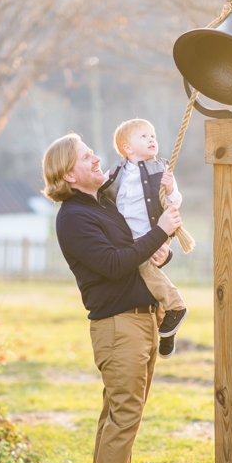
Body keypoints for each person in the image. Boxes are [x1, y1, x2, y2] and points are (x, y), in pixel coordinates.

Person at [42, 133, 182, 463]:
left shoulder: (99, 205)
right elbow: (113, 263)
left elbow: (135, 252)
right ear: (69, 175)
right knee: (122, 418)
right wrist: (159, 231)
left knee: (120, 418)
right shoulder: (74, 217)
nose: (98, 159)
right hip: (118, 326)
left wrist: (162, 247)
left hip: (139, 320)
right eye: (88, 158)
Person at [100, 118, 188, 358]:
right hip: (126, 238)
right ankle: (166, 330)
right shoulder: (116, 170)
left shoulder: (161, 169)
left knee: (142, 267)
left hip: (151, 232)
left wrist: (170, 190)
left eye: (154, 136)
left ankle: (176, 306)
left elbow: (174, 203)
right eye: (144, 136)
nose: (152, 140)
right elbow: (101, 192)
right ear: (127, 148)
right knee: (146, 280)